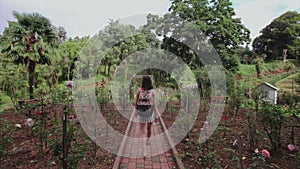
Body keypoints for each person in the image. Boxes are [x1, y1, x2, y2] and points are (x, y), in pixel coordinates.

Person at [135, 76, 159, 145]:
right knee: (149, 128)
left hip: (141, 112)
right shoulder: (153, 92)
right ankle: (148, 140)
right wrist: (156, 116)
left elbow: (136, 102)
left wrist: (136, 112)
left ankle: (143, 139)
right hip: (150, 112)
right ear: (150, 82)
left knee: (142, 128)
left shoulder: (139, 91)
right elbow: (154, 105)